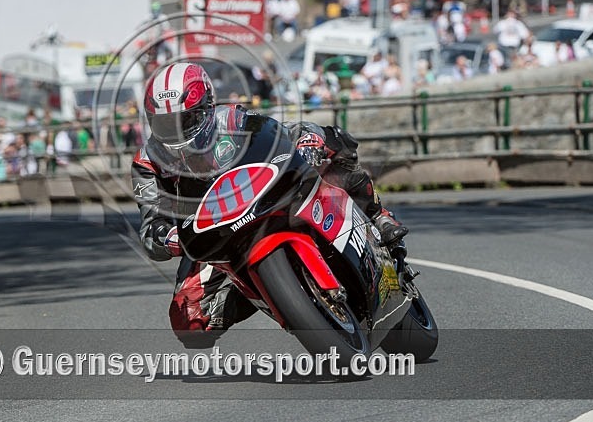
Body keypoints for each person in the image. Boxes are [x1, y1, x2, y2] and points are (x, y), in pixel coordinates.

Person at [131, 62, 408, 348]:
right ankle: (266, 292)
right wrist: (167, 238)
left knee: (329, 140)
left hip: (260, 194)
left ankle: (379, 216)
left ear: (206, 108)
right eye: (165, 125)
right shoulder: (147, 162)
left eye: (185, 120)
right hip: (210, 231)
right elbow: (151, 225)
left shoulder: (232, 120)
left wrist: (307, 140)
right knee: (189, 322)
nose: (175, 133)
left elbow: (281, 133)